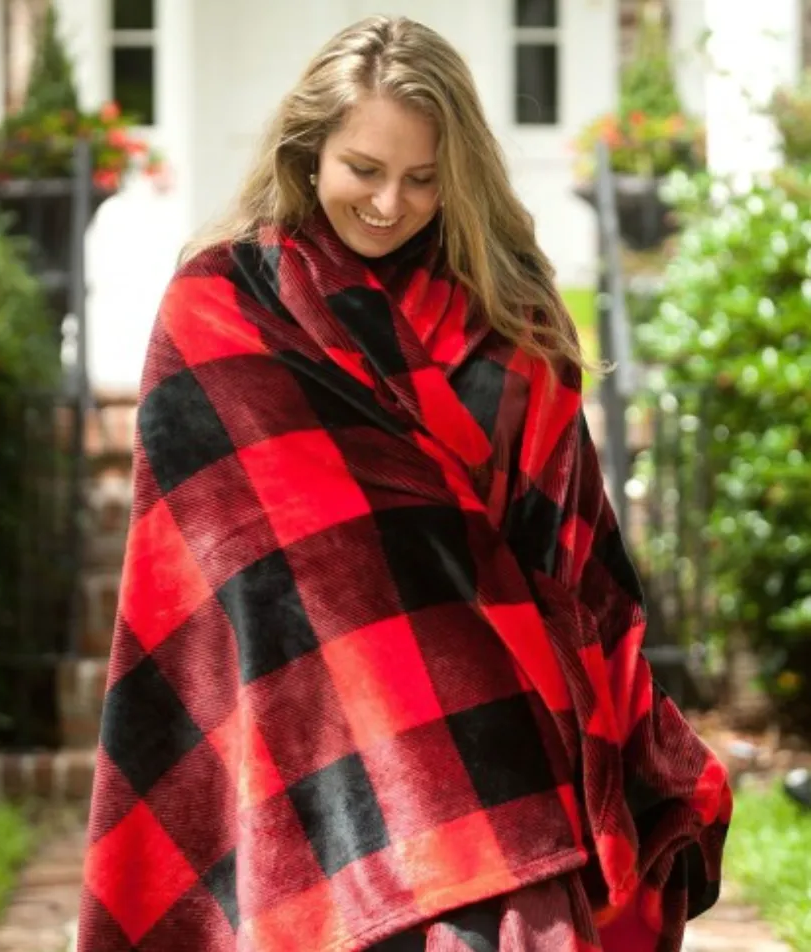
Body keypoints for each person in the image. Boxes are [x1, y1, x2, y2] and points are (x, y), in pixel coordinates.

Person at [77, 16, 731, 952]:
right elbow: (213, 572)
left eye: (423, 178)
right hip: (315, 729)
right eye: (363, 170)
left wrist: (620, 740)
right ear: (309, 156)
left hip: (495, 729)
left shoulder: (510, 317)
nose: (390, 202)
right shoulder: (220, 308)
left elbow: (570, 547)